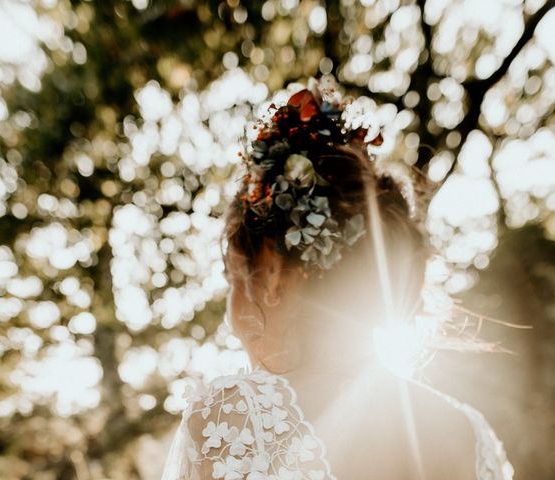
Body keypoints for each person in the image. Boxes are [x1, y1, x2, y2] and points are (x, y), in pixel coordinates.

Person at [161, 80, 514, 479]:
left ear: (272, 270)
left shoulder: (232, 423)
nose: (230, 315)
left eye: (233, 277)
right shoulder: (471, 435)